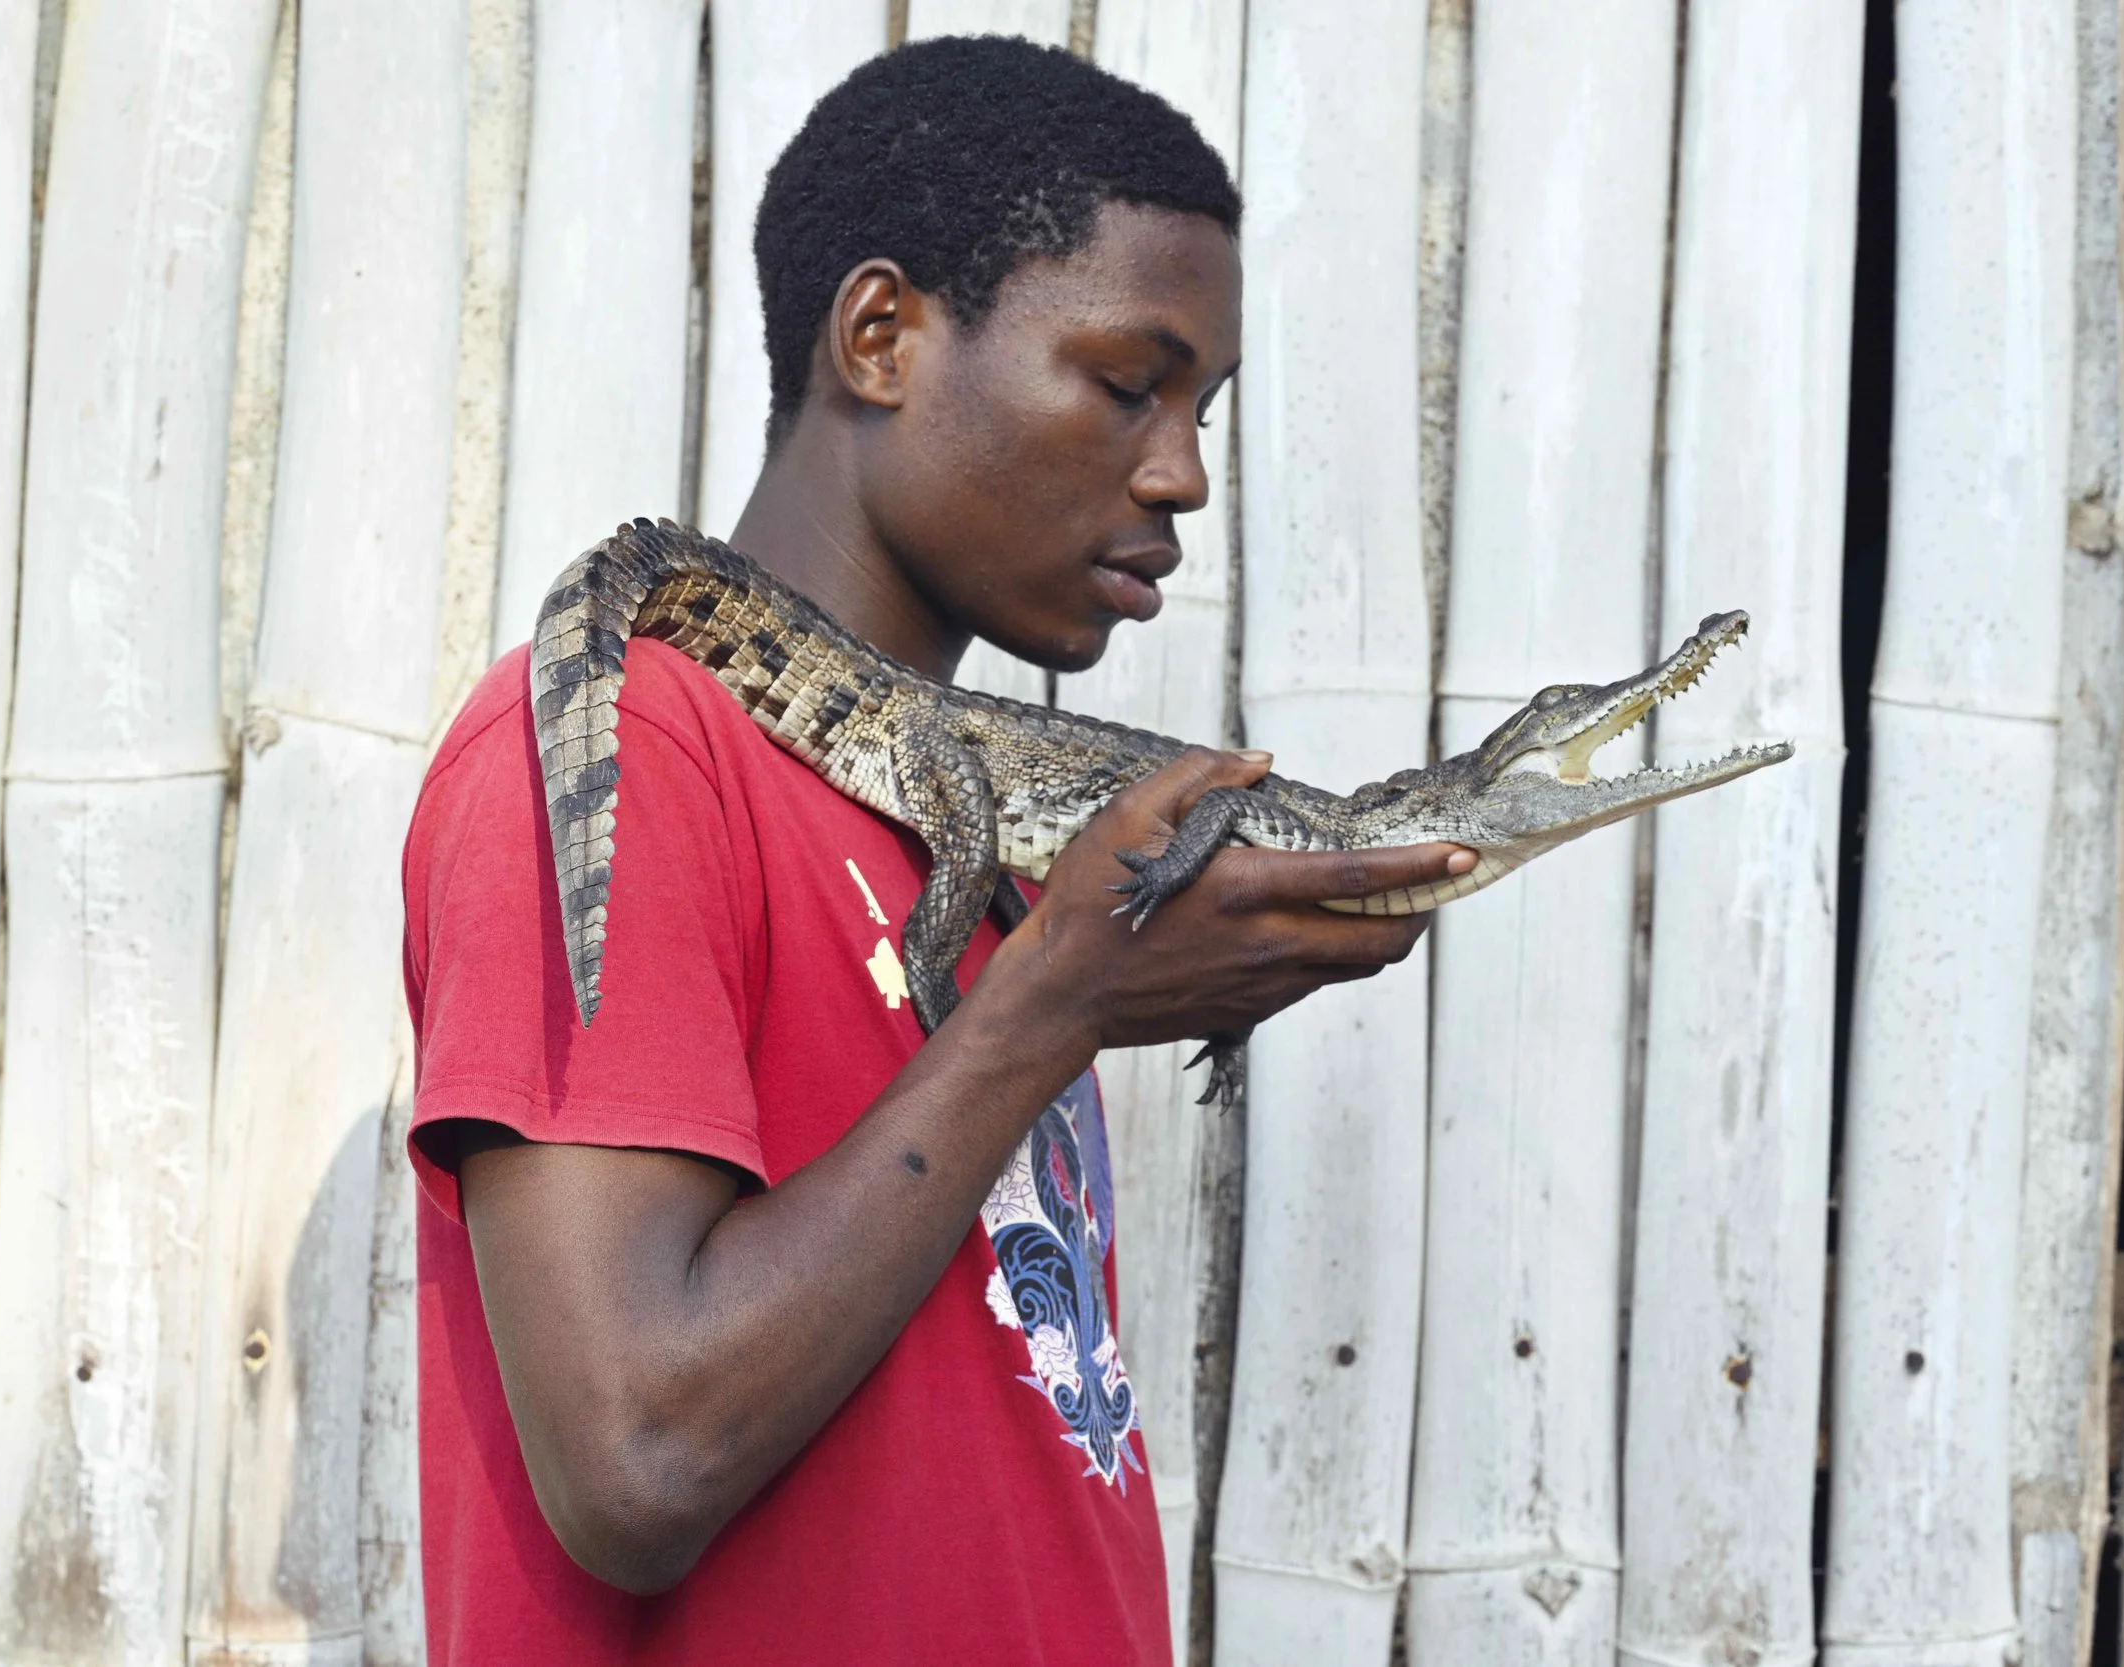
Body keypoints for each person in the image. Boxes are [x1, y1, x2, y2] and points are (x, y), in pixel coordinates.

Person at [401, 34, 1470, 1664]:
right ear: (881, 338)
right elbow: (637, 1454)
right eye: (1128, 384)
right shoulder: (633, 745)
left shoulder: (988, 844)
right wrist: (1052, 1006)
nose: (1183, 473)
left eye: (1203, 409)